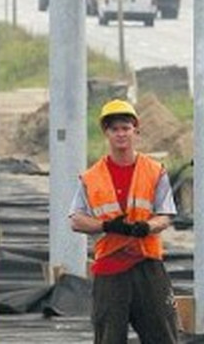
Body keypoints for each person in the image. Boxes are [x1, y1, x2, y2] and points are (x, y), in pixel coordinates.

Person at [69, 98, 180, 344]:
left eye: (125, 128)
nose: (121, 134)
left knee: (164, 334)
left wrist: (147, 227)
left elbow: (166, 214)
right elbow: (76, 219)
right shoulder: (91, 177)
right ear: (106, 133)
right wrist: (106, 226)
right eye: (115, 129)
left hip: (147, 266)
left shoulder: (154, 171)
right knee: (109, 337)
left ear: (135, 131)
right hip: (110, 269)